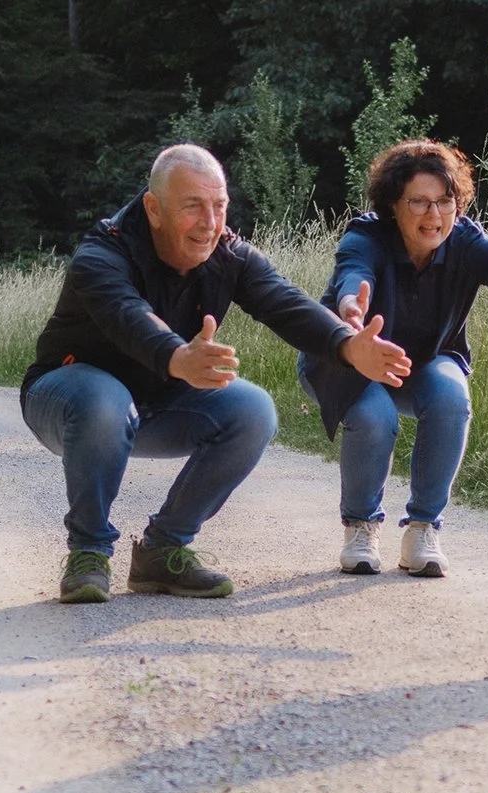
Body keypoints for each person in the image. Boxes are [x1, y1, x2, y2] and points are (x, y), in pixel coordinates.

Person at [23, 144, 412, 603]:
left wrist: (347, 346)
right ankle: (88, 552)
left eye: (220, 206)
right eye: (193, 206)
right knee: (104, 399)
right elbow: (126, 313)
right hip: (69, 398)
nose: (210, 222)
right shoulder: (103, 251)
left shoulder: (229, 253)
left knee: (252, 409)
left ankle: (163, 550)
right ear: (153, 208)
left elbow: (284, 302)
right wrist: (176, 355)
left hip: (158, 398)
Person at [299, 140, 488, 580]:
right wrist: (352, 310)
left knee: (452, 397)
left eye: (445, 201)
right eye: (419, 202)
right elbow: (355, 273)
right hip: (350, 359)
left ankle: (423, 529)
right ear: (394, 205)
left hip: (426, 361)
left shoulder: (470, 244)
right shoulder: (366, 236)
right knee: (376, 417)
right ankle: (360, 525)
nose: (434, 215)